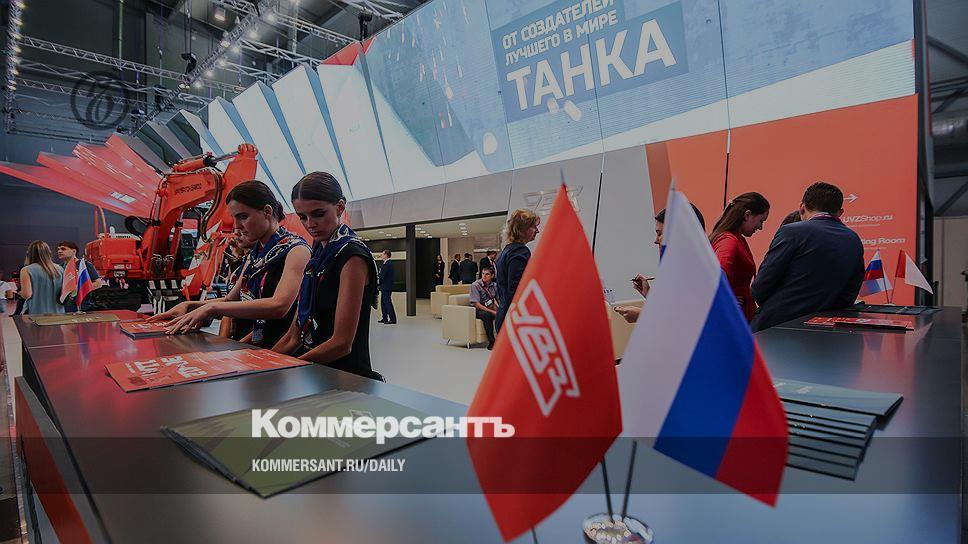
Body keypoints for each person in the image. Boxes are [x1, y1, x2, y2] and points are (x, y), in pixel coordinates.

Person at [151, 181, 311, 348]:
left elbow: (279, 306)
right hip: (252, 348)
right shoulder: (257, 253)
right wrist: (188, 305)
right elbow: (230, 299)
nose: (237, 226)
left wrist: (212, 308)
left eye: (243, 217)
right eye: (234, 218)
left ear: (267, 211)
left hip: (278, 351)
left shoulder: (296, 250)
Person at [272, 172, 380, 379]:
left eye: (318, 214)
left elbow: (341, 344)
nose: (310, 224)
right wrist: (263, 364)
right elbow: (293, 336)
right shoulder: (318, 252)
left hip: (344, 378)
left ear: (340, 207)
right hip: (312, 372)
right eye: (302, 217)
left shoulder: (352, 256)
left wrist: (288, 369)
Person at [751, 182, 864, 332]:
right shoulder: (853, 239)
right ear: (840, 212)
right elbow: (850, 292)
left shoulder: (791, 232)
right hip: (826, 332)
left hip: (776, 328)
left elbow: (761, 285)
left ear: (802, 208)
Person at [615, 203, 706, 323]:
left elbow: (688, 321)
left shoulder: (697, 272)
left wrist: (642, 316)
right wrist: (649, 294)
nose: (656, 241)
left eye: (660, 234)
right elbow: (671, 310)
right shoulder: (682, 269)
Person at [709, 192, 771, 322]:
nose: (760, 227)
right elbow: (718, 271)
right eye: (761, 221)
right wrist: (725, 300)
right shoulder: (729, 240)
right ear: (747, 215)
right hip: (735, 317)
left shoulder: (735, 238)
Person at [495, 208, 540, 331]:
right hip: (514, 318)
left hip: (504, 314)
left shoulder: (507, 250)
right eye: (533, 227)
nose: (537, 231)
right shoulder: (520, 251)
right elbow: (516, 290)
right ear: (521, 229)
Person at [218, 232, 256, 340]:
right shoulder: (241, 264)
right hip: (238, 336)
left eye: (244, 229)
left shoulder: (261, 264)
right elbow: (229, 303)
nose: (237, 233)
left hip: (252, 341)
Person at [19, 241, 64, 315]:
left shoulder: (26, 270)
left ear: (30, 254)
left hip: (36, 313)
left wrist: (20, 293)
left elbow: (27, 294)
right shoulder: (60, 269)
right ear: (48, 253)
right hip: (58, 313)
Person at [56, 241, 103, 312]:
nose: (59, 251)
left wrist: (80, 289)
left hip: (82, 306)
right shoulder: (59, 267)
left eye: (63, 249)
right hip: (64, 306)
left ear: (74, 251)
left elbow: (98, 283)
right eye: (58, 249)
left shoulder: (84, 265)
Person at [469, 267, 499, 350]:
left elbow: (498, 300)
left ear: (492, 276)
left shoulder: (494, 285)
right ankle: (492, 342)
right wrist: (493, 312)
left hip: (489, 307)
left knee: (503, 313)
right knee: (487, 315)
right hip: (476, 310)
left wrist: (500, 310)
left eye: (487, 274)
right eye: (483, 274)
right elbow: (477, 304)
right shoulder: (475, 285)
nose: (484, 276)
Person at [378, 250, 397, 324]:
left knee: (387, 302)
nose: (381, 256)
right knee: (383, 303)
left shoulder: (387, 264)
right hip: (386, 286)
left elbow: (382, 276)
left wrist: (378, 283)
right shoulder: (388, 263)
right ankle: (385, 318)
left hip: (386, 287)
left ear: (386, 255)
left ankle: (393, 319)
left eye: (382, 254)